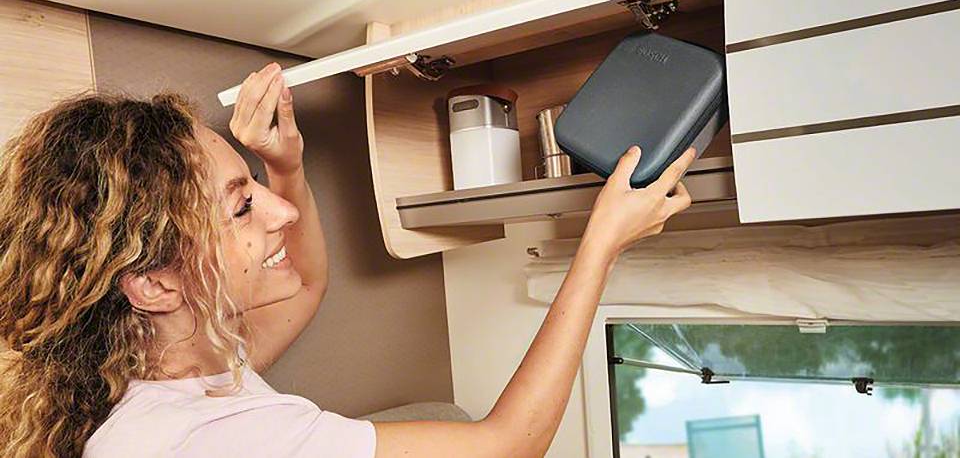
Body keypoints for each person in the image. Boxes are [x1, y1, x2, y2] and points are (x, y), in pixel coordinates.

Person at [0, 62, 695, 457]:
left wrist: (286, 163)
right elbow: (508, 448)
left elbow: (303, 287)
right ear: (153, 283)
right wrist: (599, 245)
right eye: (242, 206)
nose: (284, 213)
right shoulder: (209, 441)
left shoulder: (165, 378)